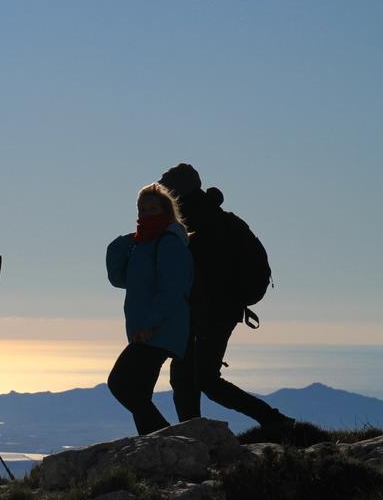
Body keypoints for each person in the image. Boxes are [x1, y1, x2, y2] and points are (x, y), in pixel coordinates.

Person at [159, 164, 296, 435]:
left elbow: (197, 274)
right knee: (195, 377)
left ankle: (271, 420)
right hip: (220, 310)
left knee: (198, 379)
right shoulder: (218, 217)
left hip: (208, 312)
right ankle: (268, 421)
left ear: (176, 192)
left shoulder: (193, 223)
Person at [106, 184, 194, 435]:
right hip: (145, 329)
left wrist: (150, 324)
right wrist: (120, 244)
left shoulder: (169, 242)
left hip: (160, 329)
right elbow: (119, 279)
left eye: (152, 209)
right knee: (139, 393)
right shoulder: (142, 244)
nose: (145, 214)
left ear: (166, 211)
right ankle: (154, 445)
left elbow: (173, 290)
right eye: (141, 209)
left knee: (120, 384)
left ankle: (169, 439)